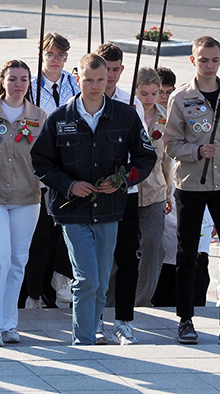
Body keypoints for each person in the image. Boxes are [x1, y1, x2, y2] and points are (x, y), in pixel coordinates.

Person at [31, 53, 156, 346]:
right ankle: (83, 340)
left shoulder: (125, 116)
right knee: (86, 279)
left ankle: (94, 331)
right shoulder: (60, 118)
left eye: (101, 79)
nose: (96, 85)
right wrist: (70, 185)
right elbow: (40, 161)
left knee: (100, 282)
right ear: (78, 79)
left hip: (110, 211)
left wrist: (123, 180)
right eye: (89, 79)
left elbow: (146, 156)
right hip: (71, 212)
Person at [163, 36, 220, 346]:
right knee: (187, 253)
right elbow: (171, 144)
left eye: (214, 60)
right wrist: (197, 151)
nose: (209, 66)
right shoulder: (180, 97)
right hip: (191, 185)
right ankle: (185, 320)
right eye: (203, 60)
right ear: (193, 60)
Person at [0, 60, 46, 347]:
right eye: (13, 78)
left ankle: (8, 324)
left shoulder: (39, 116)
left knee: (18, 261)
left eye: (24, 79)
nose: (19, 84)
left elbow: (47, 156)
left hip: (27, 196)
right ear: (3, 81)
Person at [24, 32, 79, 309]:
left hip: (67, 168)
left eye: (60, 55)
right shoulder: (31, 86)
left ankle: (61, 279)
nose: (55, 60)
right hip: (39, 169)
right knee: (40, 235)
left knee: (64, 230)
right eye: (50, 54)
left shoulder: (74, 84)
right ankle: (34, 291)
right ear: (41, 56)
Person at [94, 42, 142, 345]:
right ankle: (95, 319)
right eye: (104, 70)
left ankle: (123, 321)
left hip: (125, 192)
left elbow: (143, 154)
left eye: (114, 70)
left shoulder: (131, 103)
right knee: (97, 260)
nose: (109, 76)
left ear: (122, 70)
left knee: (127, 257)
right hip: (95, 193)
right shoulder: (84, 101)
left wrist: (123, 179)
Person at [132, 67, 173, 308]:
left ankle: (142, 300)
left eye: (154, 93)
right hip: (129, 190)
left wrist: (169, 193)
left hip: (155, 190)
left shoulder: (164, 117)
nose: (149, 99)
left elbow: (168, 160)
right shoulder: (127, 113)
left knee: (153, 246)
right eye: (143, 94)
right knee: (122, 249)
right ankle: (112, 301)